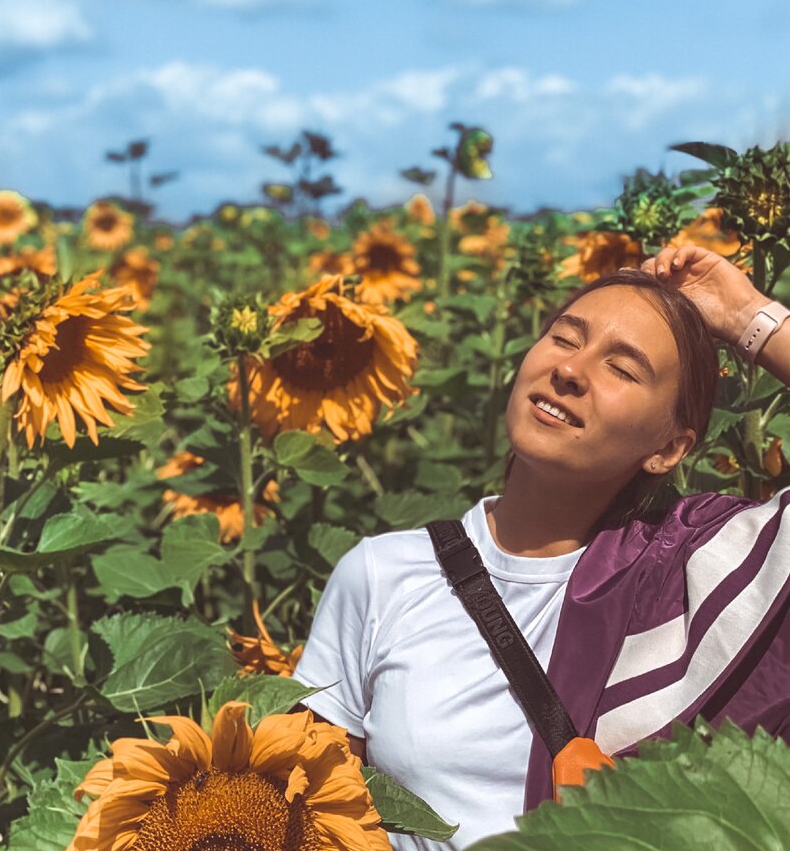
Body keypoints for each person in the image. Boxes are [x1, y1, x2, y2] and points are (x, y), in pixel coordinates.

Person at [292, 243, 790, 849]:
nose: (572, 370)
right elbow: (310, 808)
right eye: (564, 337)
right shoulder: (381, 574)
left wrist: (749, 319)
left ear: (669, 449)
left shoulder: (701, 573)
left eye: (622, 368)